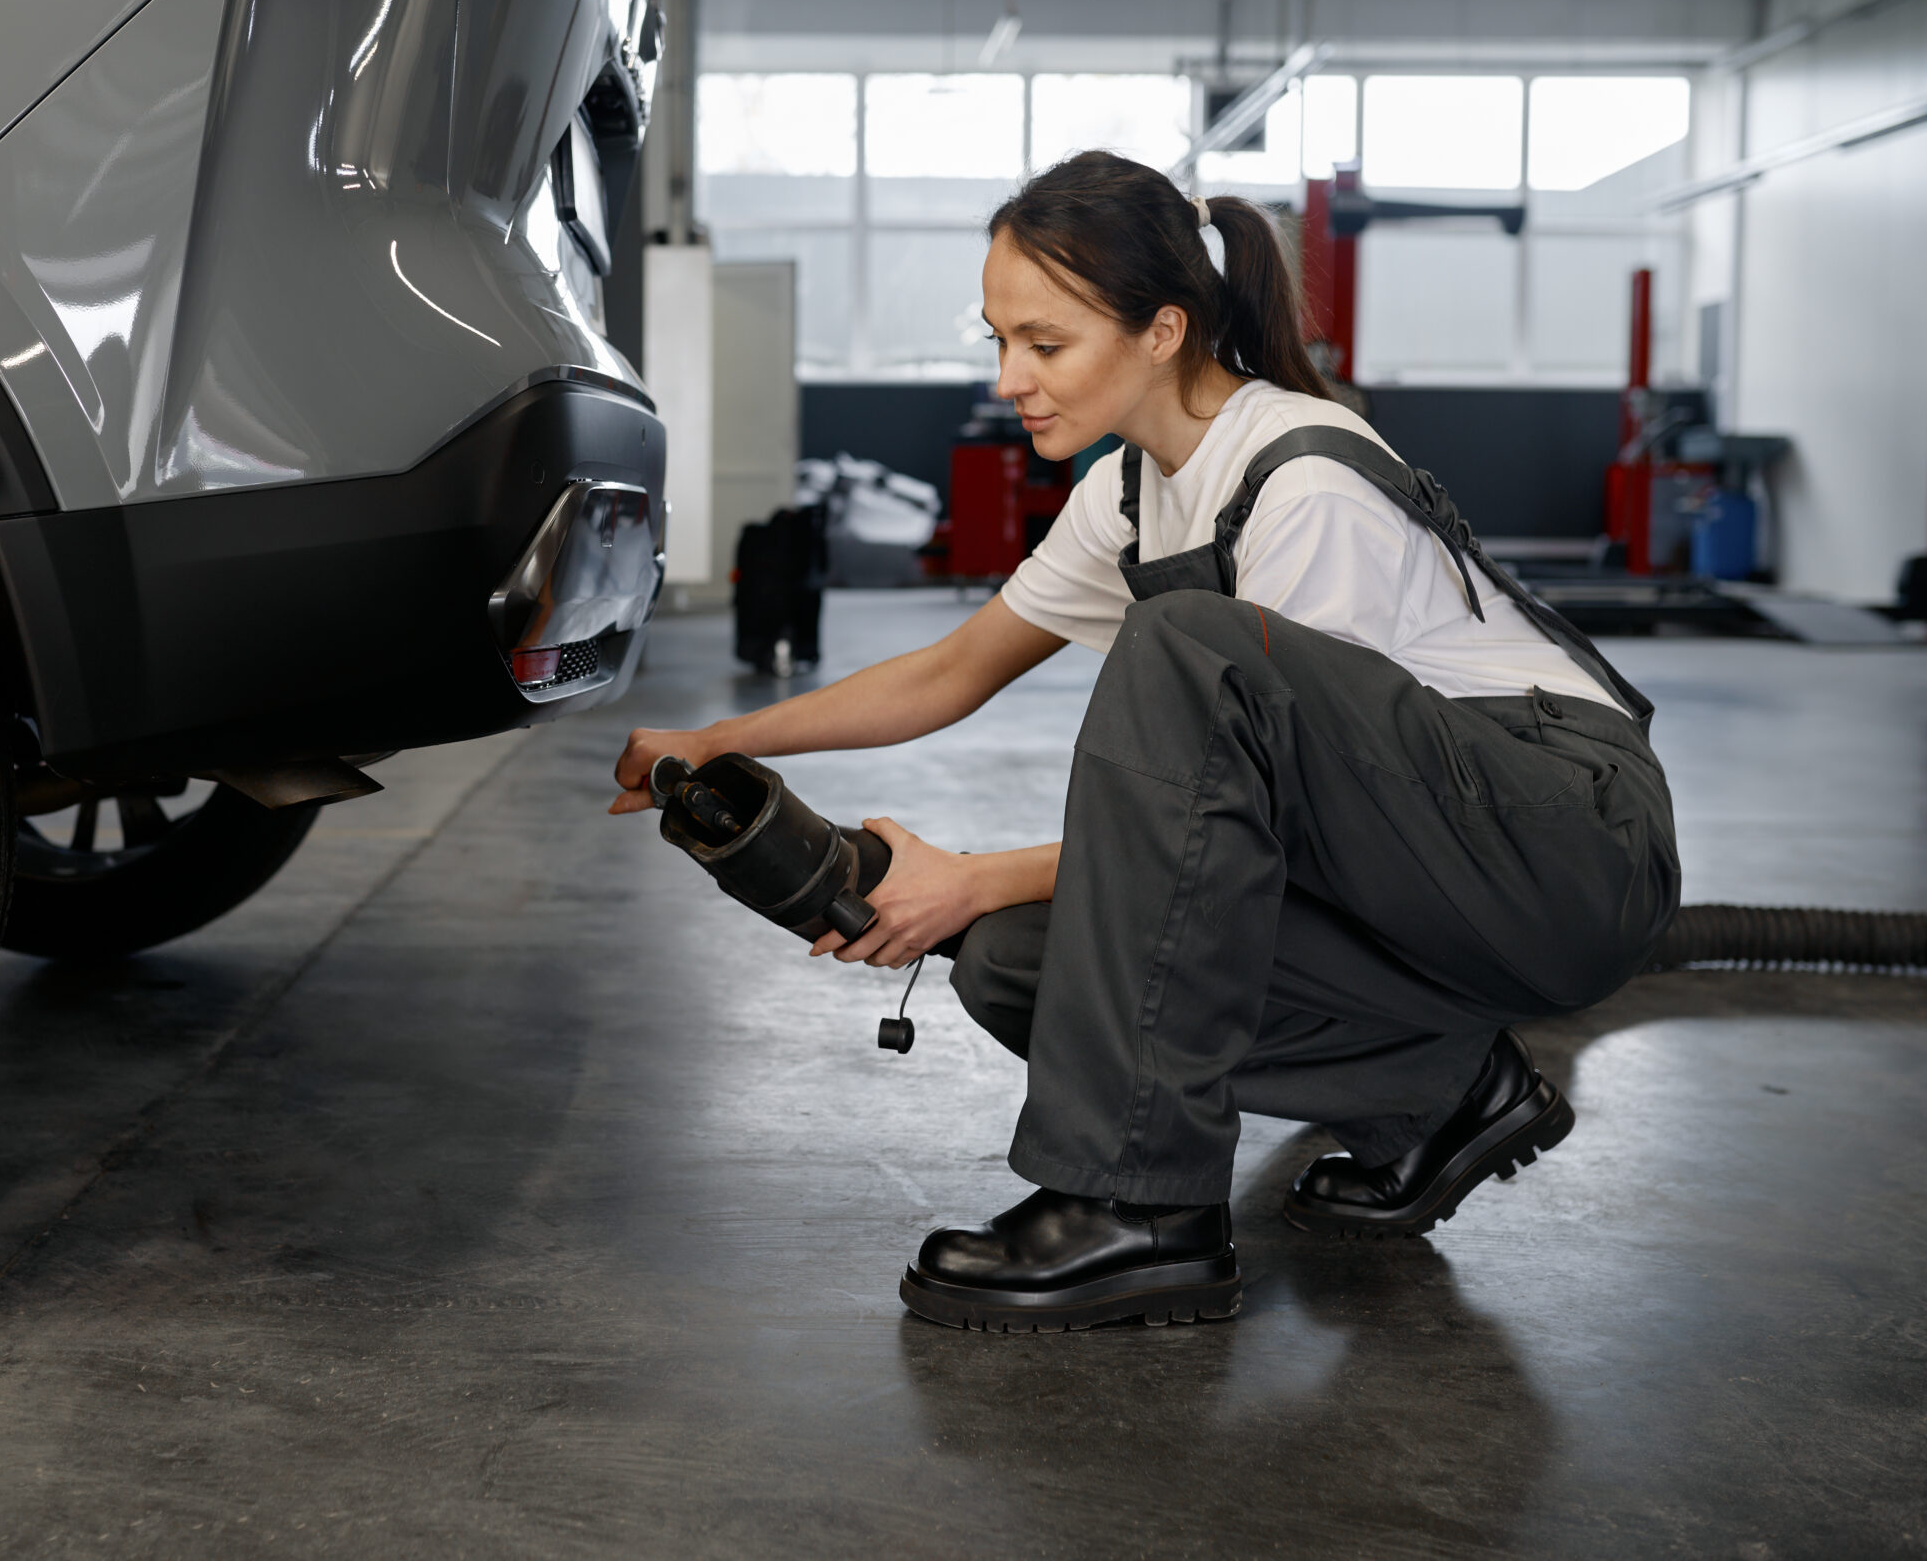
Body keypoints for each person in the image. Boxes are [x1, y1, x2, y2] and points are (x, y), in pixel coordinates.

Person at [612, 151, 1680, 1333]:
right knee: (1023, 956)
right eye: (998, 341)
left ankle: (1142, 1213)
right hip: (1430, 865)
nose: (1013, 376)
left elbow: (1243, 828)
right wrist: (719, 736)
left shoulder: (1301, 479)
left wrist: (960, 878)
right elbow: (950, 669)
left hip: (1561, 843)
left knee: (1184, 651)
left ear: (1163, 328)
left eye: (1046, 343)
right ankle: (1442, 1092)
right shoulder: (1130, 485)